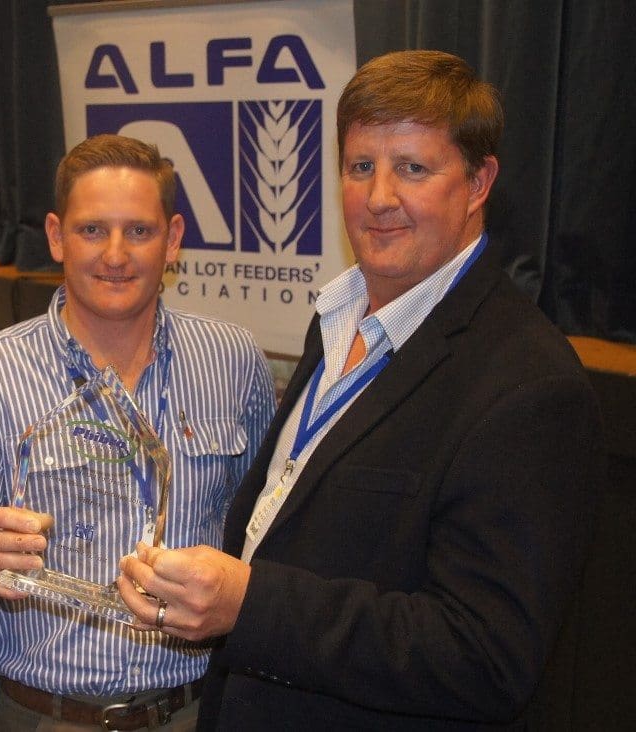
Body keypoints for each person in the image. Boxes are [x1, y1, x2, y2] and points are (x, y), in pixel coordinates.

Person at [117, 50, 604, 729]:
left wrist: (249, 604)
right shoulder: (338, 319)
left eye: (413, 167)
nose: (379, 198)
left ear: (478, 180)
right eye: (360, 167)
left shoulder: (529, 386)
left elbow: (487, 657)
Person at [0, 134, 276, 731]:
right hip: (48, 717)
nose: (115, 254)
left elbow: (263, 528)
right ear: (56, 236)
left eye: (138, 231)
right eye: (91, 231)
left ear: (174, 239)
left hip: (200, 710)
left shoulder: (233, 360)